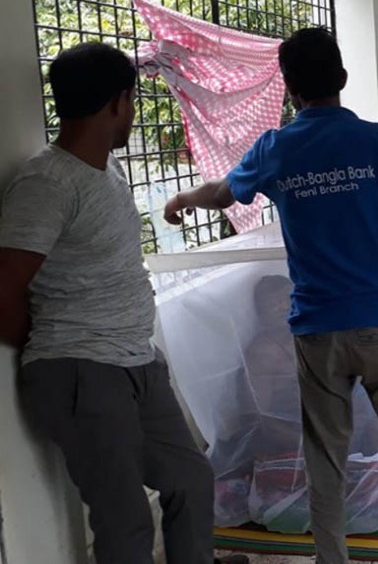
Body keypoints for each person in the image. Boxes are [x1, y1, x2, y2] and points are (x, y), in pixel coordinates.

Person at [164, 28, 378, 564]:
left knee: (325, 464)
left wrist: (183, 198)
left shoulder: (276, 148)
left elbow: (223, 192)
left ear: (289, 87)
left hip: (319, 333)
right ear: (343, 78)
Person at [0, 43, 245, 564]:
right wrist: (63, 351)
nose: (132, 111)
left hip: (135, 361)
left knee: (189, 478)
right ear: (119, 101)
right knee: (125, 518)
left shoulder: (106, 170)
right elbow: (4, 290)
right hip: (82, 371)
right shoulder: (47, 182)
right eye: (132, 100)